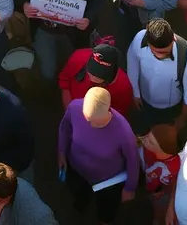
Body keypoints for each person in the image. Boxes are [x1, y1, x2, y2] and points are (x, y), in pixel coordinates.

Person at [58, 87, 139, 224]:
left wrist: (130, 187)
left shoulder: (123, 131)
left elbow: (133, 160)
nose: (91, 124)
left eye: (97, 122)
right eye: (87, 119)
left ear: (108, 110)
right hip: (77, 170)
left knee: (106, 212)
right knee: (79, 197)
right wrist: (61, 152)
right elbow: (65, 128)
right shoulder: (74, 107)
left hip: (107, 181)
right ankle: (79, 210)